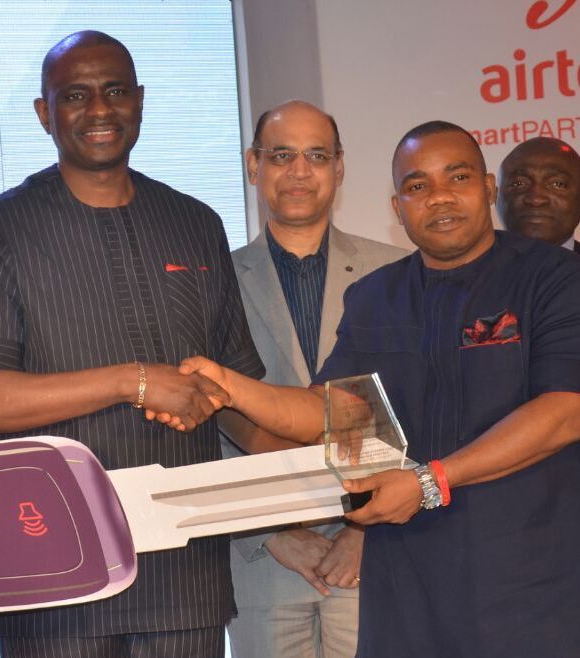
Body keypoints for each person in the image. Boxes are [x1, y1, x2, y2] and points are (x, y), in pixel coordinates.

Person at [178, 121, 580, 657]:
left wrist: (431, 481)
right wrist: (232, 388)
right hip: (404, 587)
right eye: (417, 186)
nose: (438, 196)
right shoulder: (375, 295)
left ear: (487, 188)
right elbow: (334, 410)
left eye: (456, 177)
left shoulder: (553, 277)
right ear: (397, 207)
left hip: (526, 582)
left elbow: (563, 412)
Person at [0, 30, 263, 658]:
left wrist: (327, 451)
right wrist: (133, 379)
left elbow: (237, 396)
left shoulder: (196, 223)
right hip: (52, 573)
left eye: (115, 91)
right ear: (44, 113)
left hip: (184, 575)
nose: (99, 111)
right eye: (75, 96)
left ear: (140, 101)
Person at [221, 101, 406, 658]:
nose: (299, 172)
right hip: (262, 558)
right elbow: (201, 418)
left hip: (375, 556)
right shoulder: (214, 281)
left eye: (316, 156)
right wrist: (268, 534)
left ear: (340, 167)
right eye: (281, 156)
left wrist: (362, 531)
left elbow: (420, 406)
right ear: (254, 165)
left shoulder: (397, 272)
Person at [497, 136, 580, 252]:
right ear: (494, 195)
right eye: (519, 183)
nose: (536, 199)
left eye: (558, 184)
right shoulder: (467, 268)